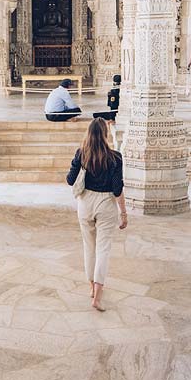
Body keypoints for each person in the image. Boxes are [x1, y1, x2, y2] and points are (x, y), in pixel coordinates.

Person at [66, 118, 126, 311]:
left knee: (88, 248)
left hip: (85, 203)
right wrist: (123, 213)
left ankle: (92, 287)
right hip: (106, 204)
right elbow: (117, 189)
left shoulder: (81, 154)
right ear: (104, 135)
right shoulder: (115, 157)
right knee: (103, 250)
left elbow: (69, 180)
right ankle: (97, 296)